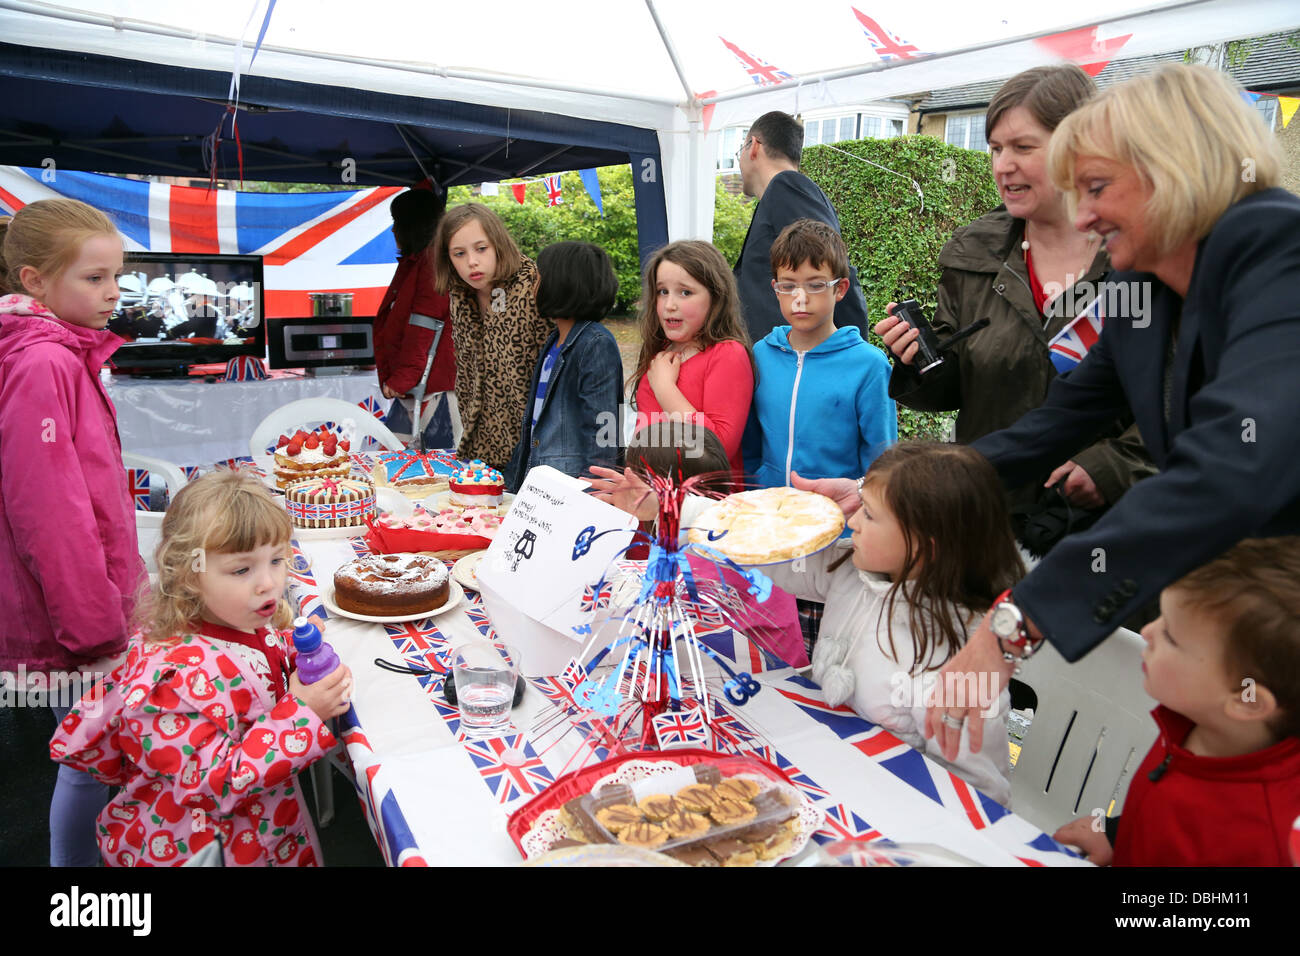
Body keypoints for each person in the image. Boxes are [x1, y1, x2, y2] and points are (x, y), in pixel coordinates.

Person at [911, 64, 1300, 764]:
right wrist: (906, 485)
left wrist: (1013, 626)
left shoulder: (1280, 249)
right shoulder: (1141, 288)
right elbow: (1057, 423)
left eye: (1096, 188)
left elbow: (1235, 464)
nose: (1083, 216)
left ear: (1176, 170)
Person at [873, 65, 1154, 540]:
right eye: (996, 148)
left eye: (1023, 147)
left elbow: (1185, 404)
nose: (1003, 164)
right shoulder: (972, 251)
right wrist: (917, 360)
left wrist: (1110, 468)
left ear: (1078, 147)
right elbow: (962, 389)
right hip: (988, 517)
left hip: (1113, 532)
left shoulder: (1144, 259)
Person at [50, 472, 353, 867]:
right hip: (203, 846)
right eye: (242, 570)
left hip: (260, 826)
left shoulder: (240, 620)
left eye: (277, 560)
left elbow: (255, 666)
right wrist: (303, 714)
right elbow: (217, 782)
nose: (268, 583)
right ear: (190, 575)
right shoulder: (170, 681)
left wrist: (298, 653)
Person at [0, 199, 144, 866]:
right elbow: (52, 518)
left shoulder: (59, 353)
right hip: (69, 629)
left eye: (116, 275)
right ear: (33, 280)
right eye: (93, 278)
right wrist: (96, 631)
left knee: (84, 758)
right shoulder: (44, 365)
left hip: (72, 616)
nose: (113, 291)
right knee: (89, 763)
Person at [772, 443, 1024, 805]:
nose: (852, 521)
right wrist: (688, 514)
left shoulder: (960, 664)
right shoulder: (854, 571)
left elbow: (977, 793)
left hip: (889, 812)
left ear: (924, 547)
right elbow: (775, 556)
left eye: (869, 515)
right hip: (823, 771)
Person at [1053, 538, 1300, 866]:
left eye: (1170, 635)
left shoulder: (1267, 842)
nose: (1147, 631)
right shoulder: (1195, 717)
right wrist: (1116, 833)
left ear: (1248, 701)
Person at [588, 420, 807, 669]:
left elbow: (661, 633)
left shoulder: (707, 554)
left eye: (638, 480)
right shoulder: (724, 522)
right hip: (747, 665)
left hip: (769, 682)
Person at [744, 218, 896, 489]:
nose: (800, 298)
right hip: (767, 518)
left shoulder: (869, 366)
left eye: (815, 285)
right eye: (788, 286)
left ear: (840, 289)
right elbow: (749, 445)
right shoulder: (760, 355)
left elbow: (882, 462)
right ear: (775, 290)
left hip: (840, 523)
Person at [732, 111, 869, 342]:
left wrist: (852, 350)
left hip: (793, 360)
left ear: (753, 146)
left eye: (739, 152)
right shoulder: (781, 193)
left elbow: (834, 267)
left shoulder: (786, 187)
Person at [433, 203, 549, 470]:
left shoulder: (534, 287)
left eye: (481, 249)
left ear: (498, 244)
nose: (472, 261)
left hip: (536, 450)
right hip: (482, 452)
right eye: (459, 254)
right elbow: (465, 372)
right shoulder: (460, 295)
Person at [504, 241, 623, 492]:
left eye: (537, 279)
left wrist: (595, 492)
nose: (532, 287)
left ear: (561, 285)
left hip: (570, 488)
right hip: (539, 481)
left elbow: (604, 428)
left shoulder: (595, 343)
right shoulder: (553, 341)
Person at [630, 240, 754, 477]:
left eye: (685, 292)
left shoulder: (727, 353)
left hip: (701, 505)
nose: (669, 305)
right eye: (662, 292)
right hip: (652, 500)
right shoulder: (659, 352)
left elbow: (718, 450)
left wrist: (665, 389)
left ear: (716, 297)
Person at [374, 187, 457, 450]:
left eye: (396, 222)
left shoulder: (431, 262)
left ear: (412, 225)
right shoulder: (420, 261)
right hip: (418, 387)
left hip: (430, 389)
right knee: (398, 467)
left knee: (425, 471)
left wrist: (402, 378)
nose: (393, 231)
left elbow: (425, 327)